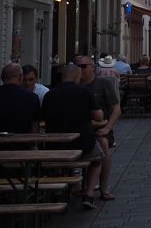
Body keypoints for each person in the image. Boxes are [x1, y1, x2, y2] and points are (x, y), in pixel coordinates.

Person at [42, 63, 104, 211]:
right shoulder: (84, 91)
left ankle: (66, 188)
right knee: (98, 158)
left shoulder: (50, 94)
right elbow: (99, 116)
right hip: (83, 144)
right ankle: (89, 193)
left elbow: (43, 118)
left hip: (56, 145)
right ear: (77, 76)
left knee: (62, 161)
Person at [75, 55, 121, 201]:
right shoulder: (74, 86)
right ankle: (74, 185)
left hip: (99, 130)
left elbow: (116, 109)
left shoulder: (103, 83)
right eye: (77, 66)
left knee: (103, 142)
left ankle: (103, 186)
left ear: (93, 68)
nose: (80, 70)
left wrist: (107, 128)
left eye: (84, 66)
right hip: (78, 131)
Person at [0, 63, 40, 134]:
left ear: (2, 77)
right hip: (22, 140)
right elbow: (35, 127)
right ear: (20, 77)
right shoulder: (32, 98)